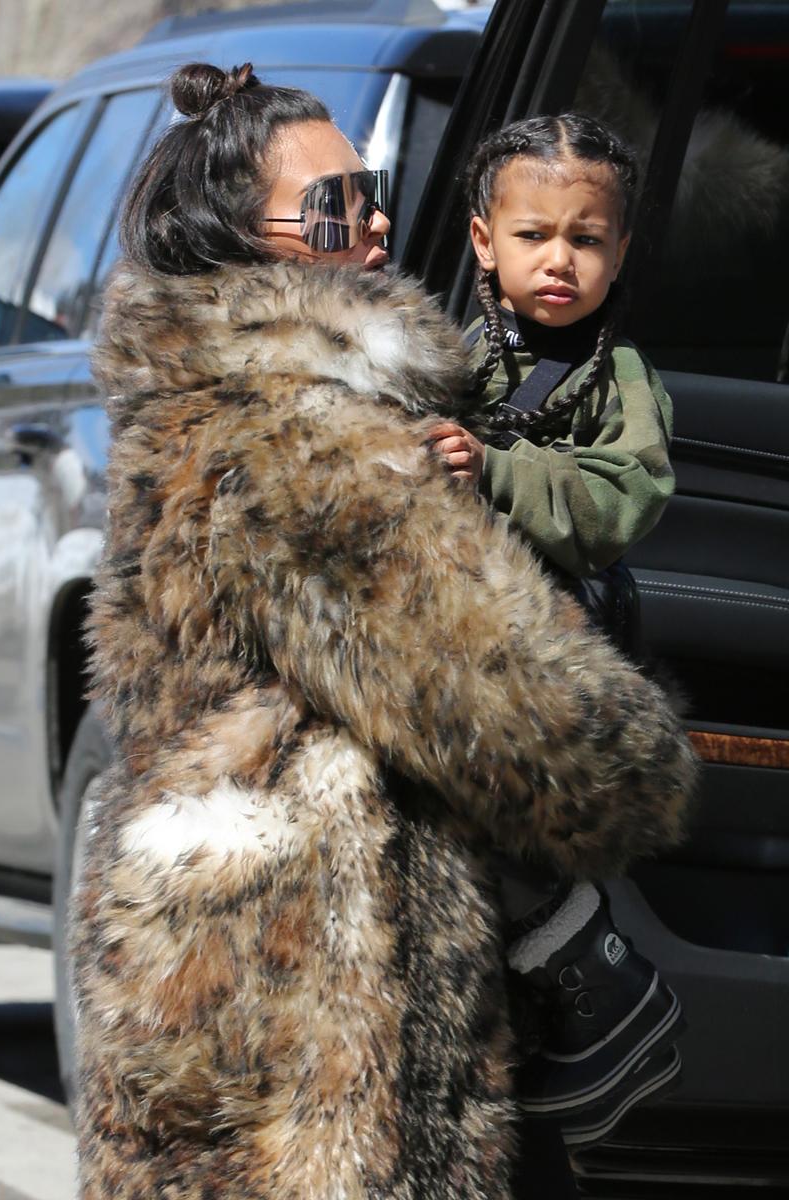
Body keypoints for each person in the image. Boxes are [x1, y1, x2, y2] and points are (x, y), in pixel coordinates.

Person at [72, 65, 696, 1200]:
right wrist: (640, 751)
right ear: (244, 243)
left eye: (367, 192)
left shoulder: (185, 404)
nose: (365, 223)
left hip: (208, 942)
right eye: (328, 207)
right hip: (326, 981)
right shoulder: (312, 439)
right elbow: (520, 713)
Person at [428, 113, 684, 1148]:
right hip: (445, 638)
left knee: (519, 836)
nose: (558, 261)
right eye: (534, 235)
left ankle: (583, 963)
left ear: (619, 253)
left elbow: (625, 498)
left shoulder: (617, 378)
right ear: (483, 239)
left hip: (548, 652)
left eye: (585, 240)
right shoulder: (447, 351)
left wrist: (493, 470)